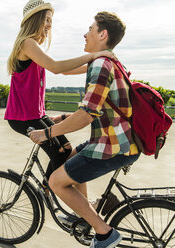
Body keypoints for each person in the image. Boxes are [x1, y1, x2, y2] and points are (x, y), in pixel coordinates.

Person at [30, 11, 140, 248]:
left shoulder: (101, 64)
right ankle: (84, 213)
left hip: (114, 146)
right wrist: (60, 117)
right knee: (68, 158)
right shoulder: (108, 61)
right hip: (112, 139)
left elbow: (86, 116)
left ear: (103, 34)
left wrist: (47, 133)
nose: (85, 33)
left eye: (90, 29)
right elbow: (95, 105)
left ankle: (104, 233)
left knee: (56, 182)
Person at [5, 0, 115, 190]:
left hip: (36, 114)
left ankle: (48, 190)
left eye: (51, 21)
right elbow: (56, 67)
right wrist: (92, 56)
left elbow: (64, 71)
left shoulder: (34, 47)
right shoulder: (27, 43)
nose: (49, 25)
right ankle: (49, 191)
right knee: (60, 154)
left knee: (68, 152)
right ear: (35, 19)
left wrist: (98, 63)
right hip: (22, 117)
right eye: (47, 20)